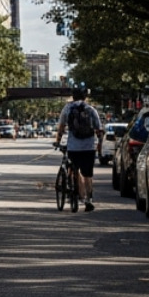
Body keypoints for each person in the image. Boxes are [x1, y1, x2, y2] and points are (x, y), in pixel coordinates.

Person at [54, 83, 105, 212]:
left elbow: (61, 127)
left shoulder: (67, 108)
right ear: (85, 96)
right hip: (89, 147)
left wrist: (58, 141)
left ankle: (77, 194)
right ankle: (89, 200)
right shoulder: (91, 109)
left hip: (73, 147)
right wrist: (99, 143)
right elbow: (99, 129)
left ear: (73, 96)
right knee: (88, 174)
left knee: (74, 171)